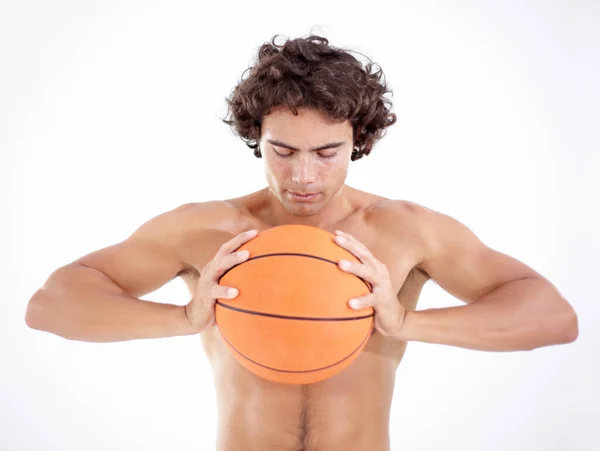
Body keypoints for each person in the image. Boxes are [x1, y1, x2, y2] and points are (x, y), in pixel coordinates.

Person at [25, 35, 579, 451]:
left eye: (327, 152)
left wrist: (407, 323)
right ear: (255, 139)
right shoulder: (206, 230)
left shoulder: (406, 230)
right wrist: (185, 315)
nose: (304, 176)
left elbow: (554, 318)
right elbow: (50, 306)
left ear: (358, 139)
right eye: (283, 151)